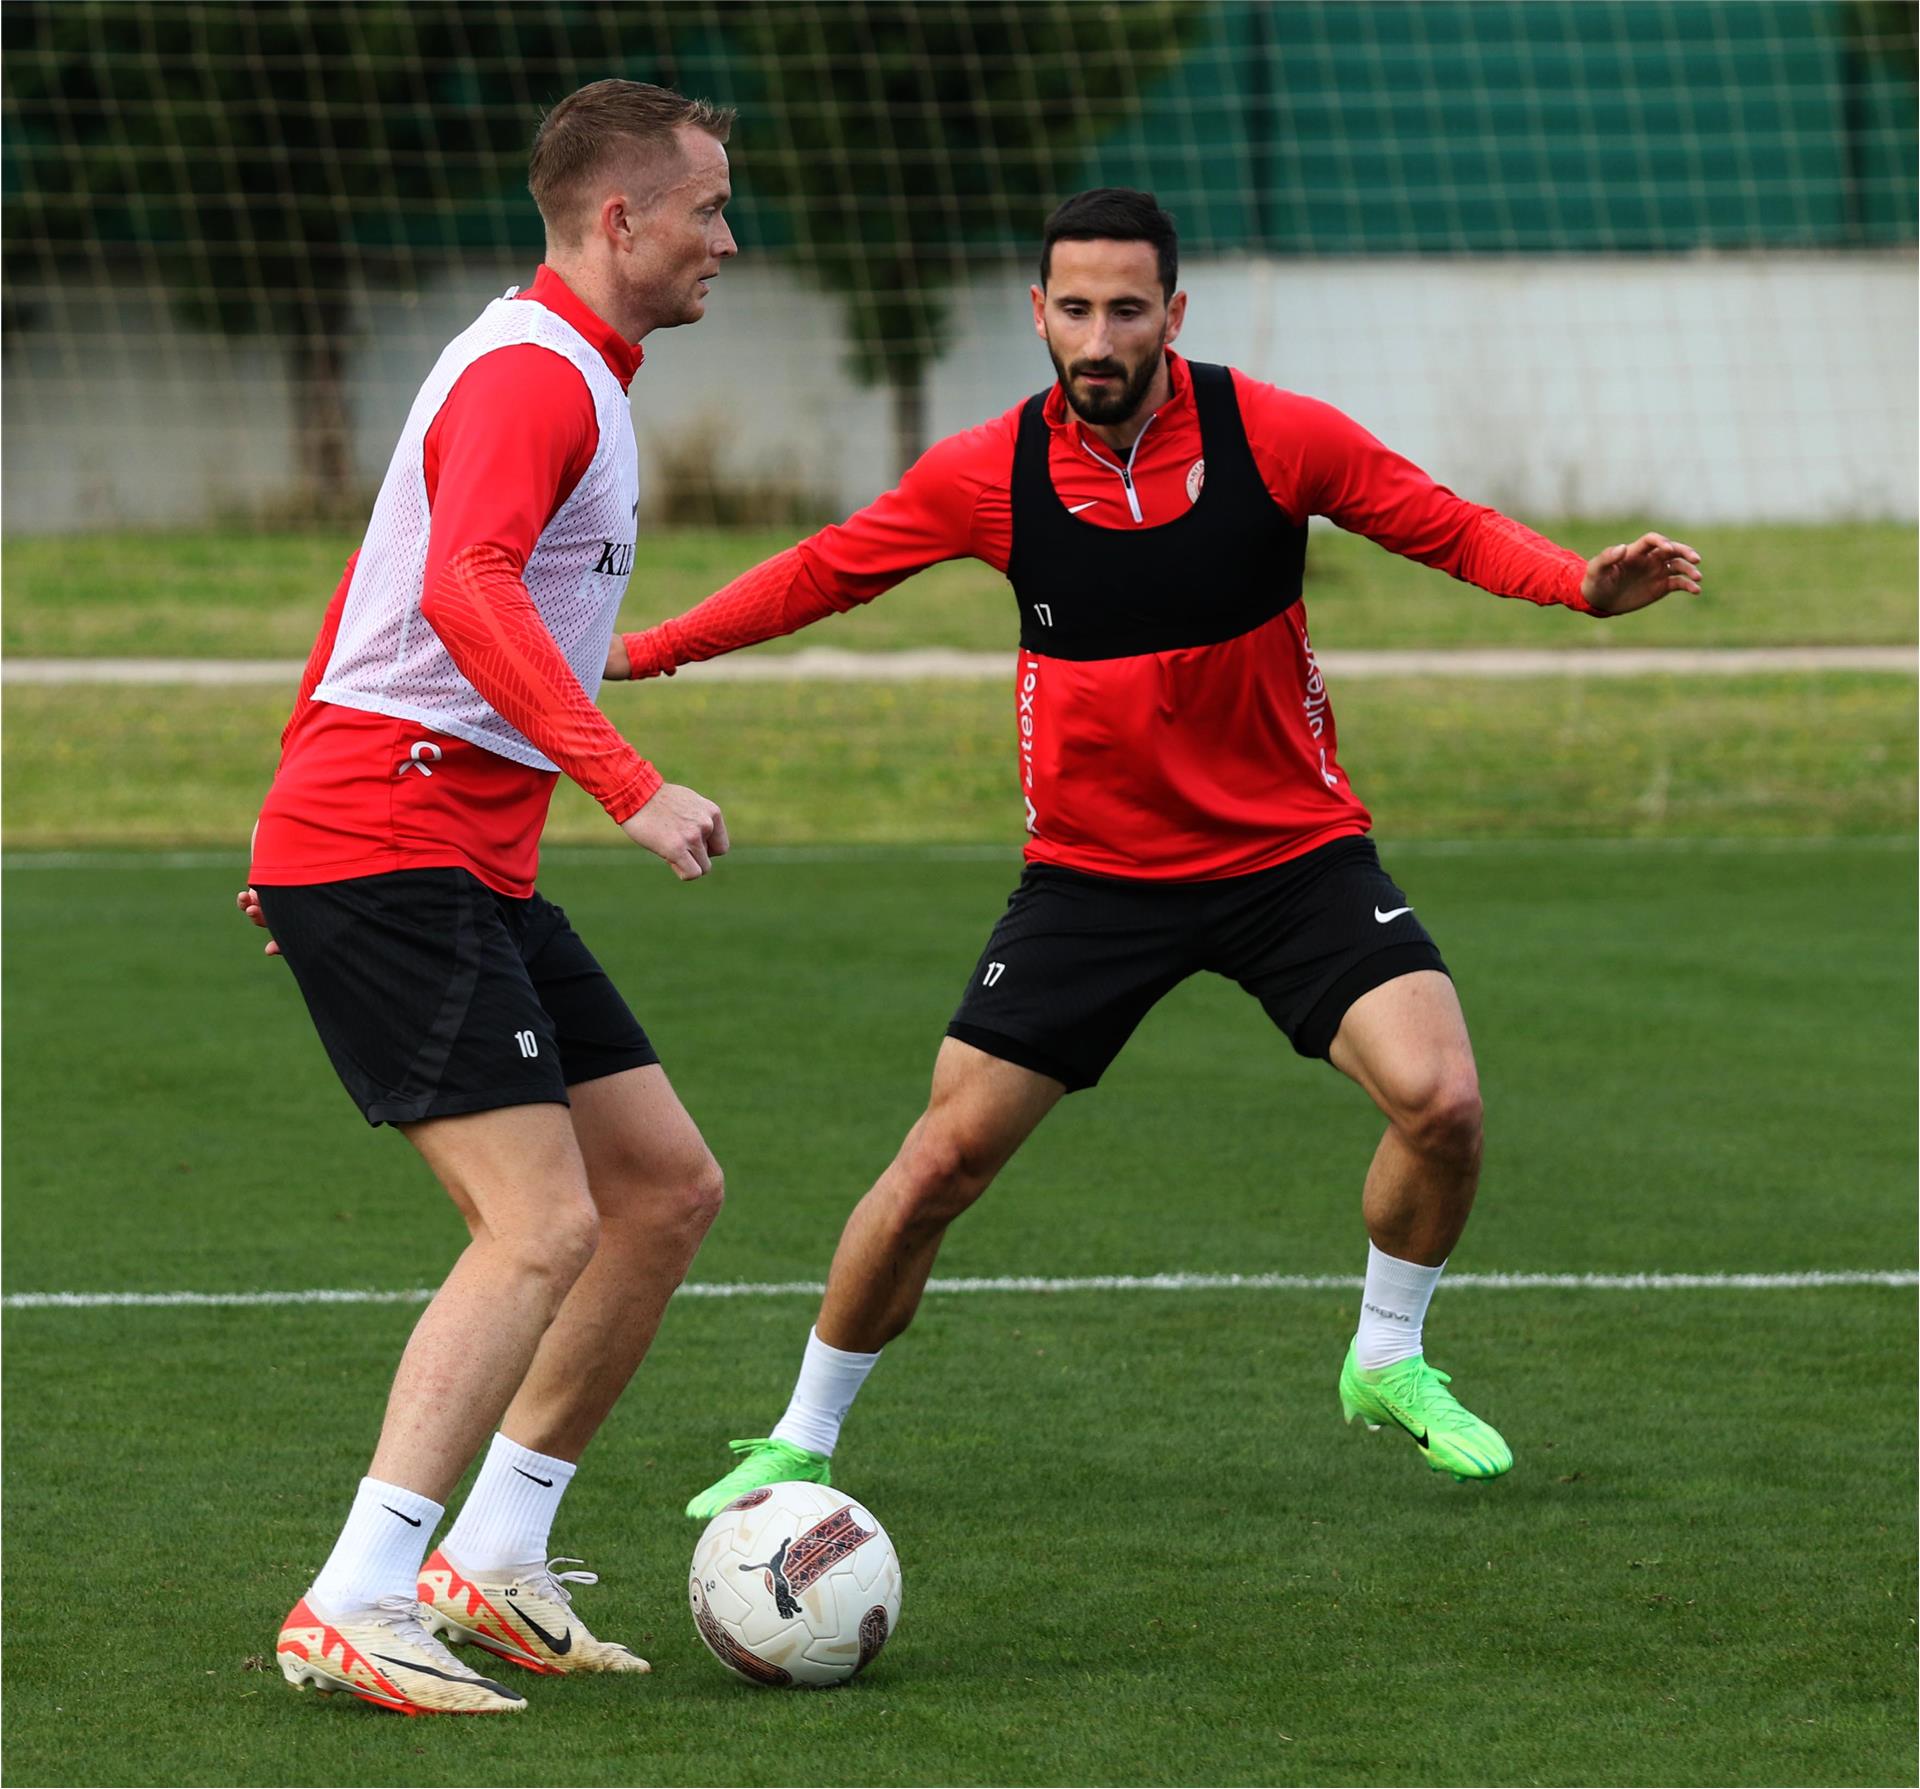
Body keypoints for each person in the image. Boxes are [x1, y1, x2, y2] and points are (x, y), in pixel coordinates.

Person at [602, 188, 1704, 1518]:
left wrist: (1577, 584)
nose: (1099, 337)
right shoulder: (987, 473)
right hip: (1094, 878)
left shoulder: (1276, 437)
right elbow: (822, 572)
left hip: (1292, 858)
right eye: (1074, 309)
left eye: (1127, 310)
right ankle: (800, 1436)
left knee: (1444, 1102)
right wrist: (644, 650)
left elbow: (1443, 521)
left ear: (1173, 314)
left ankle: (1388, 1357)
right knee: (940, 1164)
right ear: (1039, 313)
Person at [237, 80, 736, 1716]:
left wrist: (283, 816)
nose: (726, 239)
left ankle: (495, 1556)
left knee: (661, 1188)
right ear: (619, 218)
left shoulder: (566, 364)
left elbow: (374, 579)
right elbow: (458, 586)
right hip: (395, 839)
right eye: (707, 209)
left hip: (438, 847)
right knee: (540, 1223)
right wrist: (631, 784)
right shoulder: (534, 373)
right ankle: (355, 1597)